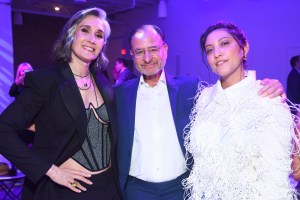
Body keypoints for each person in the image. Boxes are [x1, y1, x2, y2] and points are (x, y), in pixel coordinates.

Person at [114, 24, 286, 200]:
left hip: (181, 189)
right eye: (140, 51)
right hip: (137, 191)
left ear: (165, 49)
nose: (148, 58)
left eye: (153, 49)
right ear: (132, 55)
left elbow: (234, 90)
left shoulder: (191, 87)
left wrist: (274, 87)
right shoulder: (119, 94)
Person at [0, 7, 121, 200]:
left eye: (99, 35)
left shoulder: (103, 82)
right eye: (85, 30)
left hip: (109, 189)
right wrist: (51, 170)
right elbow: (3, 130)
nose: (92, 39)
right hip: (67, 190)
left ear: (103, 43)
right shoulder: (45, 81)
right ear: (71, 33)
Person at [182, 21, 300, 199]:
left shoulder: (267, 98)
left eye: (224, 43)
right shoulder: (203, 99)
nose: (217, 53)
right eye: (209, 49)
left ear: (244, 48)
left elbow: (275, 179)